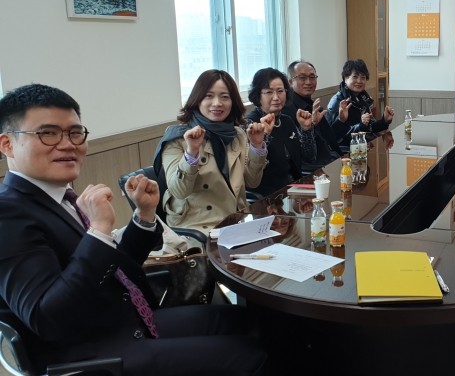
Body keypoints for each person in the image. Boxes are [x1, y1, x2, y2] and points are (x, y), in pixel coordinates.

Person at [0, 84, 268, 375]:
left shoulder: (57, 198)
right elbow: (48, 318)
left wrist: (144, 216)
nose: (67, 144)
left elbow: (113, 269)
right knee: (255, 356)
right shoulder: (8, 213)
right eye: (48, 133)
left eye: (75, 133)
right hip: (94, 355)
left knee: (249, 321)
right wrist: (99, 230)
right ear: (7, 144)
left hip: (124, 321)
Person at [154, 70, 272, 231]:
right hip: (196, 227)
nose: (217, 103)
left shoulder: (237, 134)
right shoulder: (177, 138)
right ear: (197, 100)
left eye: (225, 97)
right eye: (208, 96)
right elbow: (179, 192)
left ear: (233, 102)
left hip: (236, 219)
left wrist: (257, 146)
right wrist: (192, 152)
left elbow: (253, 182)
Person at [246, 67, 317, 197]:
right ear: (258, 95)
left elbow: (309, 158)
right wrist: (264, 136)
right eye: (269, 92)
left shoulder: (286, 120)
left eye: (280, 91)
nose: (276, 97)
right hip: (269, 196)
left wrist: (306, 129)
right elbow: (251, 175)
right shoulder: (250, 125)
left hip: (295, 189)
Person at [283, 60, 344, 164]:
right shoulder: (287, 110)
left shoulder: (312, 105)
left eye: (312, 77)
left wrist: (341, 120)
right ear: (290, 82)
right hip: (318, 168)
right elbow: (297, 152)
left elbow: (330, 139)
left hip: (334, 159)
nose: (308, 82)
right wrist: (311, 126)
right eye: (302, 78)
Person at [326, 59, 394, 146]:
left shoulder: (363, 98)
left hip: (362, 145)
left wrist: (384, 121)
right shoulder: (337, 101)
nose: (359, 81)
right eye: (355, 76)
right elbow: (334, 136)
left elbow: (370, 128)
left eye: (363, 77)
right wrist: (360, 126)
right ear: (345, 78)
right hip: (346, 150)